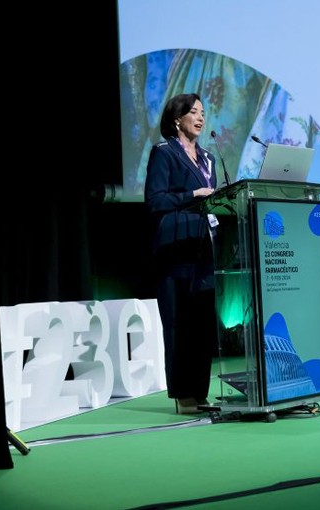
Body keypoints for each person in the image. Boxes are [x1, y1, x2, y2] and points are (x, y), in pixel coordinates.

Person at [145, 93, 218, 414]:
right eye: (193, 112)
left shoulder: (208, 158)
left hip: (204, 247)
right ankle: (182, 393)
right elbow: (155, 200)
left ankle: (200, 392)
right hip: (174, 248)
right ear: (178, 119)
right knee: (178, 323)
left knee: (202, 324)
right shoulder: (164, 153)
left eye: (203, 112)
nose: (200, 118)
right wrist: (193, 194)